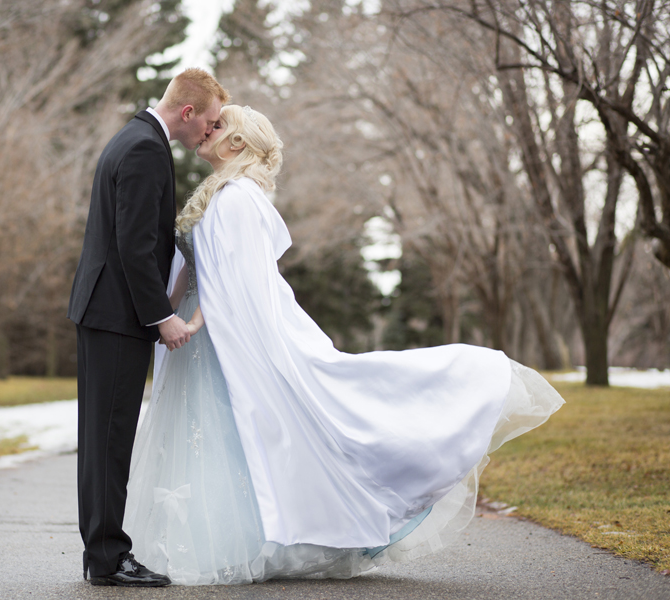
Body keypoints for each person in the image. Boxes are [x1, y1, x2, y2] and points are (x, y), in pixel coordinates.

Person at [123, 105, 565, 585]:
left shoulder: (238, 199)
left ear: (238, 145)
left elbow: (237, 280)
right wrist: (161, 315)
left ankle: (459, 393)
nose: (208, 129)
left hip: (227, 330)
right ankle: (233, 539)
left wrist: (189, 321)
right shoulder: (218, 194)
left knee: (264, 424)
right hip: (205, 335)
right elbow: (196, 265)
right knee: (224, 438)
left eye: (219, 126)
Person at [66, 69, 230, 587]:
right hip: (117, 316)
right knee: (110, 439)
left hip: (104, 312)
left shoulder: (133, 137)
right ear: (187, 113)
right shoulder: (144, 150)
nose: (210, 130)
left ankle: (101, 555)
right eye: (208, 120)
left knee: (101, 440)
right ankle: (110, 560)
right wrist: (164, 318)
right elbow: (133, 246)